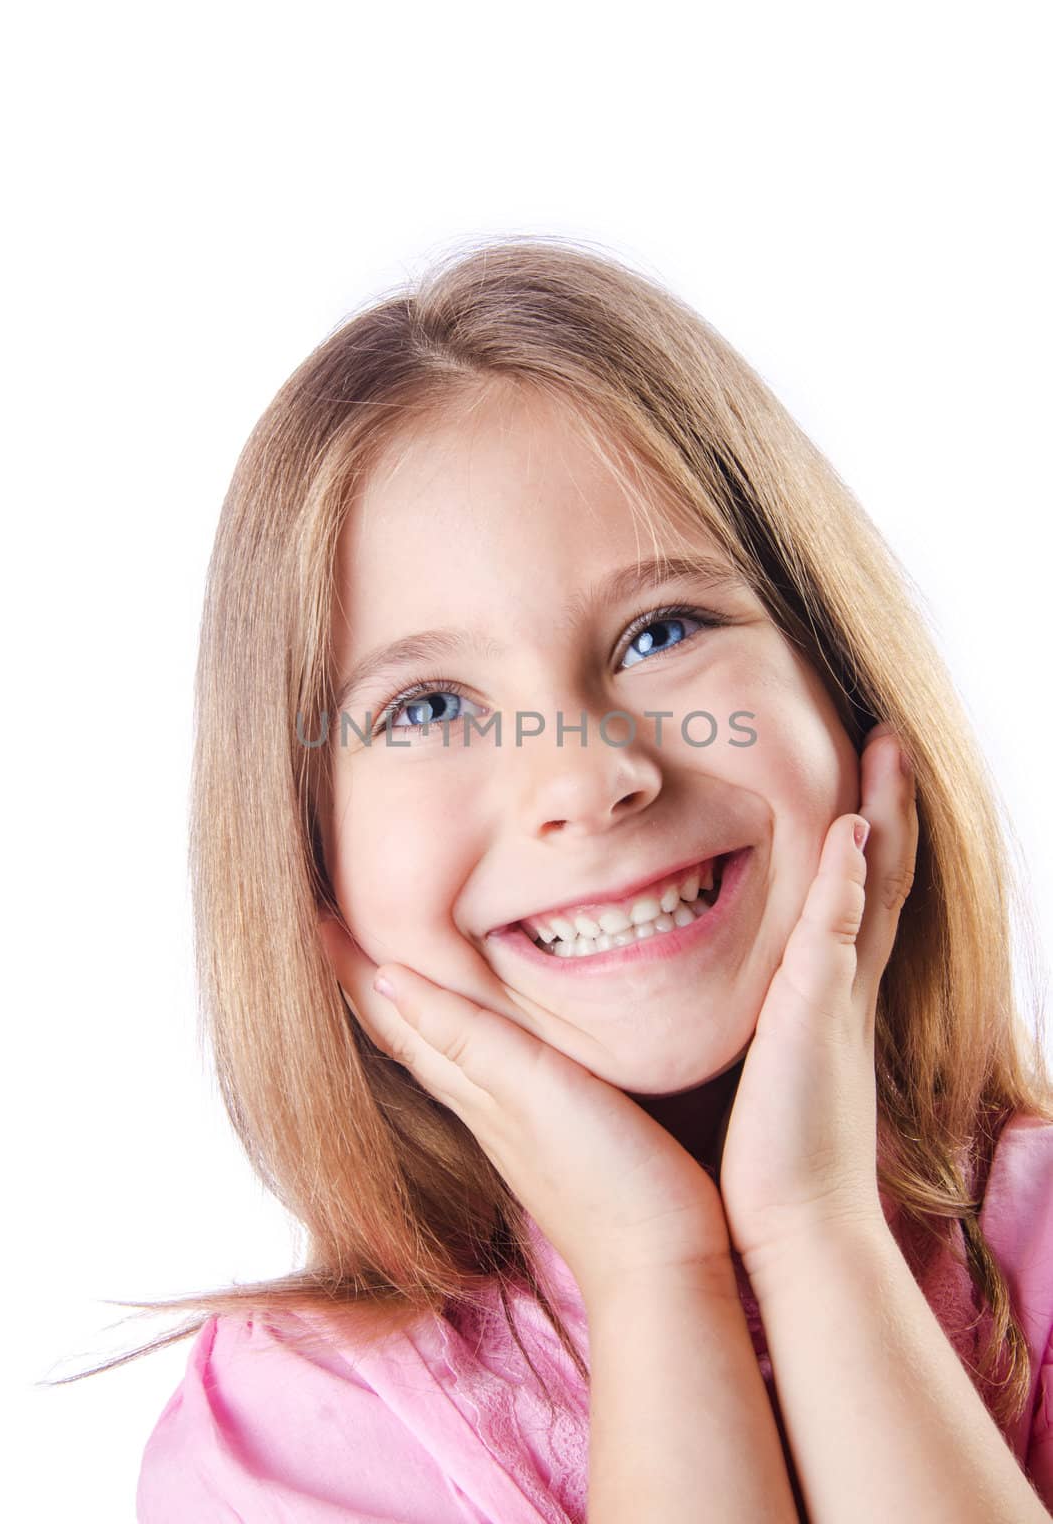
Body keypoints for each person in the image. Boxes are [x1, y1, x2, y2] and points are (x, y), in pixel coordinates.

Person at [133, 238, 1053, 1521]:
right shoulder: (295, 1438)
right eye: (429, 705)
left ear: (839, 684)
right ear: (309, 859)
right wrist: (650, 1271)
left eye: (660, 632)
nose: (583, 779)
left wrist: (815, 1227)